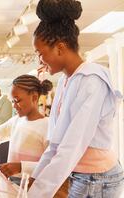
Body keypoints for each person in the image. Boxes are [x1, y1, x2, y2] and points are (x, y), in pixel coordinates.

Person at [27, 0, 124, 197]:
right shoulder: (66, 80)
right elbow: (55, 143)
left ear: (60, 48)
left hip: (98, 178)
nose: (39, 61)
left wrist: (36, 193)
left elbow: (72, 145)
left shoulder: (91, 81)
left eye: (40, 53)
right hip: (81, 174)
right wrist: (34, 180)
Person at [0, 76, 68, 197]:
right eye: (13, 101)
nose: (14, 106)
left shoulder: (48, 126)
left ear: (34, 97)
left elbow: (53, 166)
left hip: (34, 187)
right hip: (13, 184)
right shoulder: (16, 120)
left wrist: (22, 167)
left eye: (17, 100)